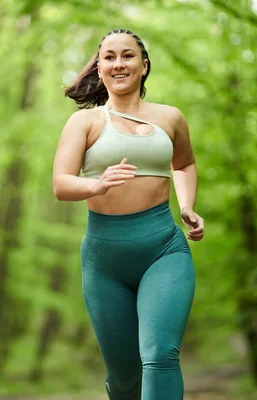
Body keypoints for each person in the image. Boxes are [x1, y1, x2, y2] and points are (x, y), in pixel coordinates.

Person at [52, 28, 204, 399]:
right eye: (110, 57)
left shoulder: (170, 118)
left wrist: (186, 206)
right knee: (124, 376)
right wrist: (97, 185)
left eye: (128, 55)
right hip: (105, 261)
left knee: (160, 356)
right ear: (99, 68)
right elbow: (61, 183)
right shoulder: (84, 123)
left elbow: (183, 165)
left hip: (163, 251)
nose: (119, 63)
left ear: (144, 65)